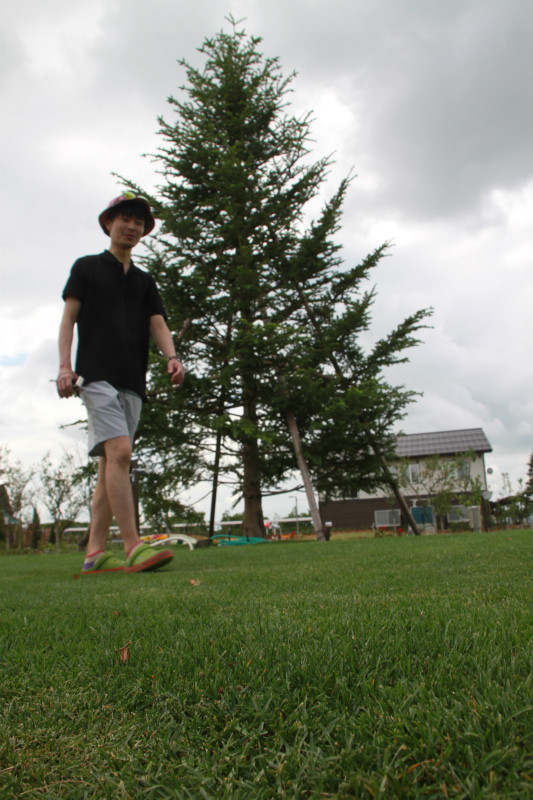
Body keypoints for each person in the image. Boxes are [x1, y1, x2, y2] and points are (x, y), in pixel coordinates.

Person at [57, 192, 185, 574]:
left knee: (110, 463)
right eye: (125, 219)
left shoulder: (145, 281)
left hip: (133, 381)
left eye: (139, 222)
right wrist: (65, 367)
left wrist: (172, 357)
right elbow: (68, 320)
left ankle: (94, 553)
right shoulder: (86, 268)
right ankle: (133, 546)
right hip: (95, 376)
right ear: (108, 223)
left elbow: (158, 323)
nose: (132, 226)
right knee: (121, 452)